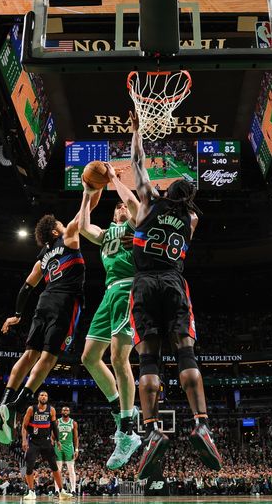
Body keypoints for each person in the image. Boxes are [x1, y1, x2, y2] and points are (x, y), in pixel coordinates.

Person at [127, 109, 222, 480]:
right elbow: (188, 209)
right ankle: (201, 424)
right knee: (185, 351)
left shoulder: (150, 199)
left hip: (145, 282)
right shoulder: (193, 220)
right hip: (174, 282)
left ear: (167, 190)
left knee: (148, 360)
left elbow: (136, 162)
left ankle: (152, 429)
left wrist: (137, 131)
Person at [0, 213, 85, 444]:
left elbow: (25, 288)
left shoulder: (42, 258)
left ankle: (4, 402)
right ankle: (16, 406)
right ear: (54, 231)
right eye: (60, 224)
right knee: (50, 357)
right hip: (65, 301)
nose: (64, 225)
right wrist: (93, 187)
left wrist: (18, 315)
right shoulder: (69, 237)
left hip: (44, 301)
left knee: (29, 354)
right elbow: (85, 209)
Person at [77, 170, 142, 468]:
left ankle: (128, 430)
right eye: (117, 207)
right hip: (108, 294)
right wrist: (88, 193)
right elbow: (83, 226)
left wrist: (116, 180)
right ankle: (120, 409)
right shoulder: (105, 235)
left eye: (123, 206)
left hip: (128, 289)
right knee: (89, 358)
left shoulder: (135, 225)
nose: (120, 207)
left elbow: (134, 204)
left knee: (119, 359)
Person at [21, 391, 72, 500]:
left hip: (47, 442)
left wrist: (58, 440)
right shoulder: (31, 409)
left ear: (47, 398)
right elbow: (24, 426)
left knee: (54, 466)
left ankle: (62, 491)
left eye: (45, 395)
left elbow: (54, 426)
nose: (43, 397)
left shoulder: (51, 410)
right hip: (33, 441)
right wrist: (24, 441)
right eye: (41, 395)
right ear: (38, 397)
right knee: (29, 467)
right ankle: (31, 491)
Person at [54, 406, 79, 494]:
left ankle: (73, 490)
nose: (65, 411)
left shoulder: (73, 423)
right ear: (61, 411)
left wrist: (76, 449)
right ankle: (57, 490)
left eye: (67, 410)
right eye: (64, 410)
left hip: (69, 447)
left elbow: (76, 437)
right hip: (59, 446)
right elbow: (53, 436)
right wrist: (53, 445)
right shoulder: (57, 422)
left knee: (71, 469)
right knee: (58, 469)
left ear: (69, 412)